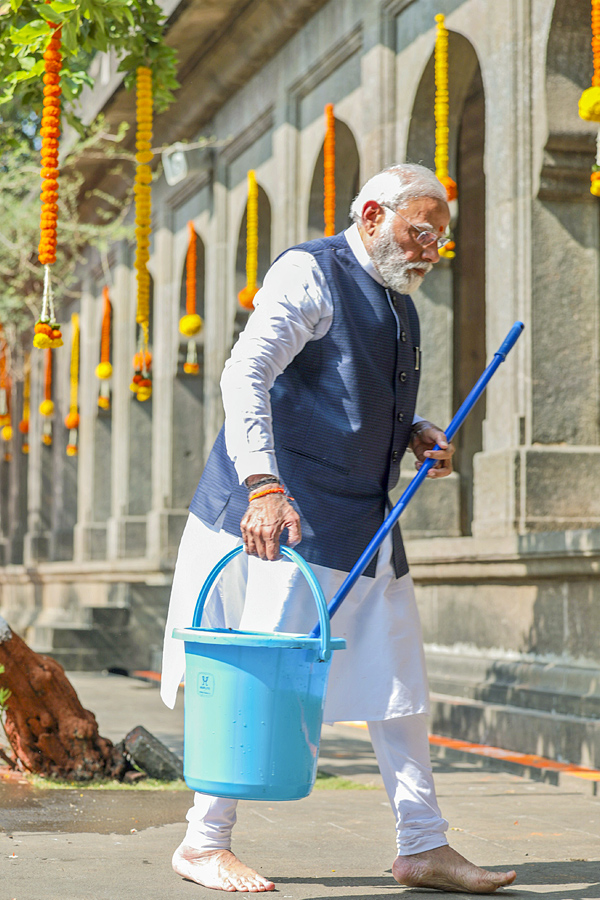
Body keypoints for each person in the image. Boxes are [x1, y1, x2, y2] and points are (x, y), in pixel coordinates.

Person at [160, 163, 517, 894]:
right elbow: (245, 374)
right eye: (420, 231)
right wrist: (262, 484)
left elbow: (349, 391)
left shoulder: (399, 302)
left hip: (363, 517)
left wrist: (412, 430)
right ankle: (202, 843)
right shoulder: (309, 272)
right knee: (264, 676)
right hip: (280, 519)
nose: (429, 250)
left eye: (439, 240)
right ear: (370, 214)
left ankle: (423, 843)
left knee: (401, 684)